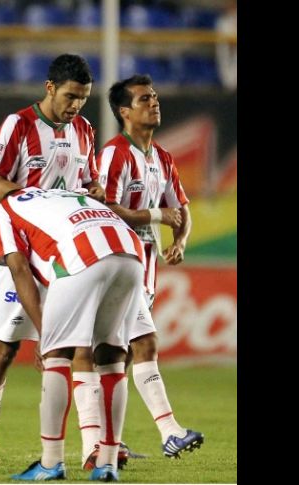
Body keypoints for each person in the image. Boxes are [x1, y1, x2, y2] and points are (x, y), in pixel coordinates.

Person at [0, 53, 112, 469]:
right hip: (21, 247)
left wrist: (96, 192)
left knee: (77, 346)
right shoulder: (19, 125)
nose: (76, 106)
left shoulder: (83, 129)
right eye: (70, 96)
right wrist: (39, 199)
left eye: (83, 99)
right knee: (6, 348)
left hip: (67, 251)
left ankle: (90, 448)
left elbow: (90, 183)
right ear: (50, 88)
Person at [0, 187, 146, 482]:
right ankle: (108, 464)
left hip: (82, 253)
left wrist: (44, 333)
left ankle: (51, 462)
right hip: (131, 251)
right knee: (113, 359)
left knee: (57, 355)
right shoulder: (68, 194)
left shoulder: (7, 206)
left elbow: (19, 268)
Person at [97, 74, 203, 458]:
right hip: (115, 262)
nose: (154, 102)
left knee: (116, 355)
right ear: (124, 112)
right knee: (144, 343)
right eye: (144, 98)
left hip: (144, 266)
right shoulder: (113, 154)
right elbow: (103, 208)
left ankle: (107, 443)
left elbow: (182, 209)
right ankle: (169, 432)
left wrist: (181, 240)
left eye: (155, 96)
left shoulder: (162, 158)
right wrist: (159, 215)